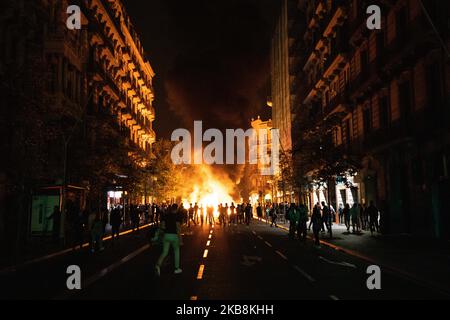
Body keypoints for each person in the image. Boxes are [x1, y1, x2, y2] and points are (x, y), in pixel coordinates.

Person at [155, 204, 183, 276]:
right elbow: (178, 228)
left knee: (165, 252)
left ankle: (158, 265)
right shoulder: (177, 216)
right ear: (176, 209)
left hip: (166, 235)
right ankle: (177, 269)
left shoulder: (166, 215)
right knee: (176, 251)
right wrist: (180, 239)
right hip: (174, 236)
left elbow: (162, 226)